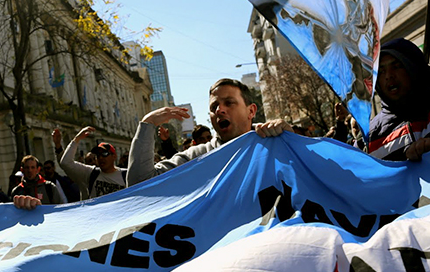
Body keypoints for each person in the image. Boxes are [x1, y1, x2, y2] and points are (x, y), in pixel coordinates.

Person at [127, 78, 293, 187]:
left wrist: (292, 140)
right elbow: (139, 183)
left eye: (229, 103)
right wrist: (148, 123)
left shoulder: (275, 140)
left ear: (251, 110)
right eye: (214, 107)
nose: (220, 110)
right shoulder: (196, 157)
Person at [368, 38, 430, 161]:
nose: (388, 76)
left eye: (396, 66)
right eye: (381, 71)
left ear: (413, 67)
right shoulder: (369, 138)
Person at [60, 128, 127, 198]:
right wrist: (76, 139)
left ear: (114, 156)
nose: (100, 158)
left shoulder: (125, 175)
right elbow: (65, 163)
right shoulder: (92, 173)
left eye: (104, 153)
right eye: (98, 155)